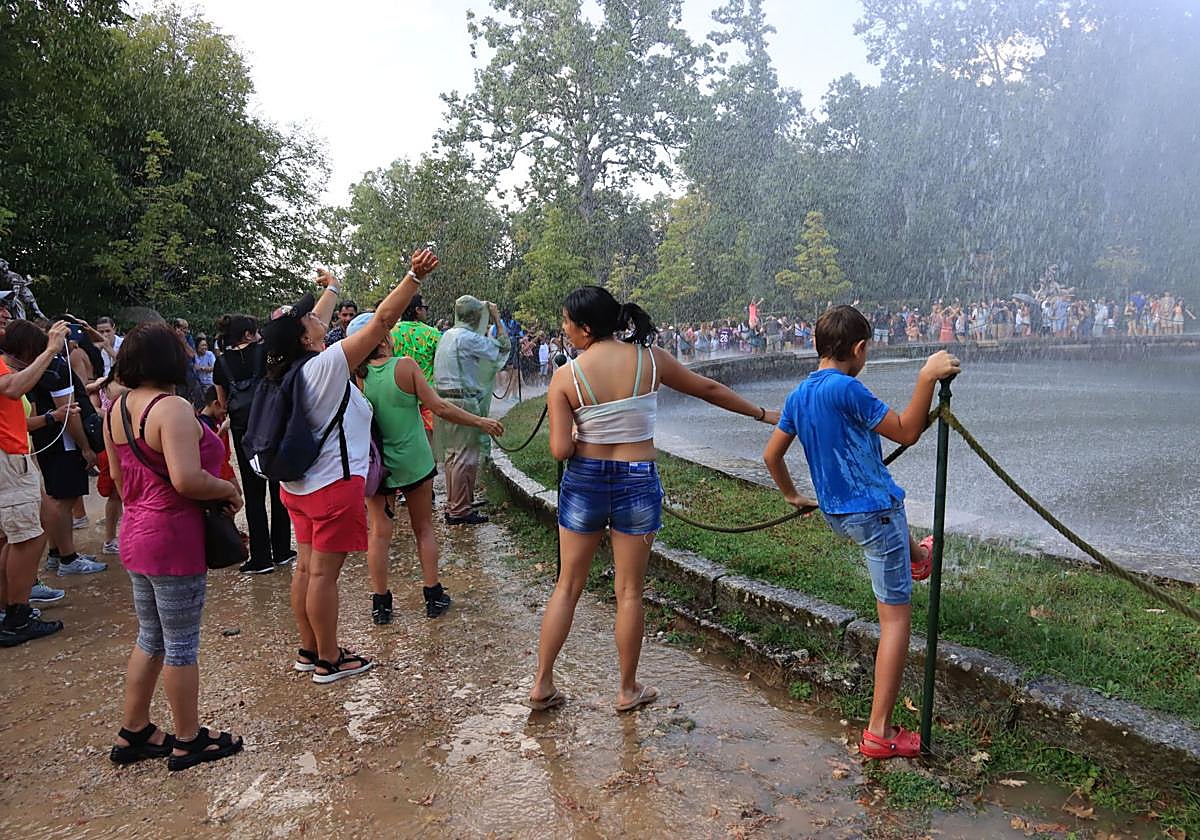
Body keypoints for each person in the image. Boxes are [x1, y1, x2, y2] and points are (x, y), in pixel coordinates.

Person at [528, 286, 779, 713]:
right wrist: (764, 414)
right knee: (629, 592)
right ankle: (627, 690)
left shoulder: (565, 377)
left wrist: (574, 434)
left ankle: (542, 684)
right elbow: (708, 389)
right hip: (637, 479)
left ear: (586, 328)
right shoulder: (650, 359)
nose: (563, 329)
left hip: (585, 480)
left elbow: (560, 451)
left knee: (567, 586)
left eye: (566, 322)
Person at [761, 305, 958, 760]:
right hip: (873, 514)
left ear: (816, 347)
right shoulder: (849, 390)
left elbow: (772, 457)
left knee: (890, 515)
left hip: (839, 513)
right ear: (859, 348)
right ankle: (879, 732)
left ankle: (917, 558)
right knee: (895, 623)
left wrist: (793, 495)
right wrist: (926, 376)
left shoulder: (799, 394)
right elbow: (907, 432)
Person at [270, 252, 436, 684]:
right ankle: (329, 658)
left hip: (298, 485)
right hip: (331, 485)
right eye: (312, 322)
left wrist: (332, 288)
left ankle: (309, 648)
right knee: (323, 574)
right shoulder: (324, 367)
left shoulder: (283, 364)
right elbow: (381, 320)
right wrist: (412, 278)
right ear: (307, 339)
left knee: (306, 568)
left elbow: (312, 322)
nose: (319, 320)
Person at [104, 322, 244, 770]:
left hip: (137, 533)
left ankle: (135, 729)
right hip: (172, 538)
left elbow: (121, 483)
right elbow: (186, 480)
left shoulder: (115, 409)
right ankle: (188, 739)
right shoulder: (173, 409)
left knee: (151, 636)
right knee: (181, 644)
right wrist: (226, 490)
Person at [350, 314, 503, 624]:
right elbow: (440, 407)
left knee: (379, 534)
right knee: (424, 529)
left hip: (378, 467)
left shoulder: (358, 377)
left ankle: (381, 604)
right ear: (381, 339)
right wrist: (479, 422)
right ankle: (433, 596)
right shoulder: (405, 366)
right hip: (415, 462)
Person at [3, 320, 105, 576]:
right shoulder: (52, 367)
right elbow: (70, 412)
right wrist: (85, 447)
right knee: (60, 502)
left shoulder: (34, 370)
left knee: (54, 502)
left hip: (35, 446)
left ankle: (57, 555)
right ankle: (66, 559)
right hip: (57, 445)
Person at [0, 320, 72, 646]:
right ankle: (16, 614)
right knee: (27, 536)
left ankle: (9, 610)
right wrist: (53, 349)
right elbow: (14, 388)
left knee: (16, 535)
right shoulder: (6, 369)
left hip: (14, 456)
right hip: (8, 459)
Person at [215, 315, 292, 574]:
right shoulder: (265, 351)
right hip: (271, 425)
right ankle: (282, 550)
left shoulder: (221, 362)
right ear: (248, 334)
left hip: (242, 431)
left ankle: (260, 557)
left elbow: (222, 402)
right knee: (277, 484)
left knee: (253, 492)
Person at [432, 296, 510, 526]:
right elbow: (502, 348)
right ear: (476, 315)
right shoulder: (468, 338)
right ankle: (459, 510)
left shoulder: (449, 335)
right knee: (465, 458)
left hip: (445, 400)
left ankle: (457, 501)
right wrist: (496, 317)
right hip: (463, 401)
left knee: (452, 456)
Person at [390, 294, 440, 445]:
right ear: (417, 310)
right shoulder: (433, 334)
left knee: (404, 440)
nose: (426, 312)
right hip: (427, 398)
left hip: (399, 396)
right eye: (425, 308)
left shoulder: (391, 333)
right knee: (429, 441)